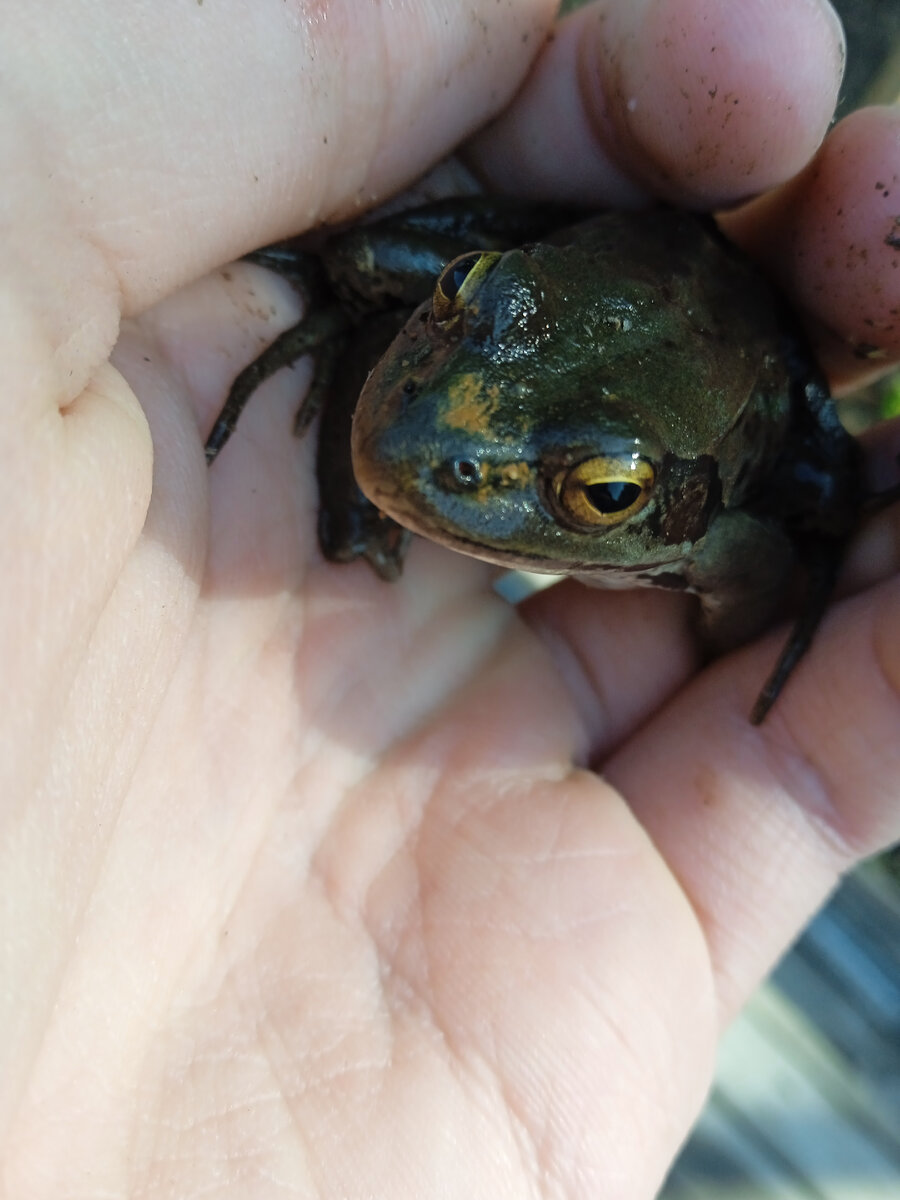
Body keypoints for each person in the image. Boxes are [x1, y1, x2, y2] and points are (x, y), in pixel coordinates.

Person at [2, 1, 898, 1196]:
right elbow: (430, 300)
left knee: (834, 489)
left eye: (598, 491)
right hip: (598, 269)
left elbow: (754, 563)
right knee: (368, 258)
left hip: (727, 372)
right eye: (459, 297)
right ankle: (535, 383)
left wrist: (711, 593)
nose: (443, 437)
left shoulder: (711, 517)